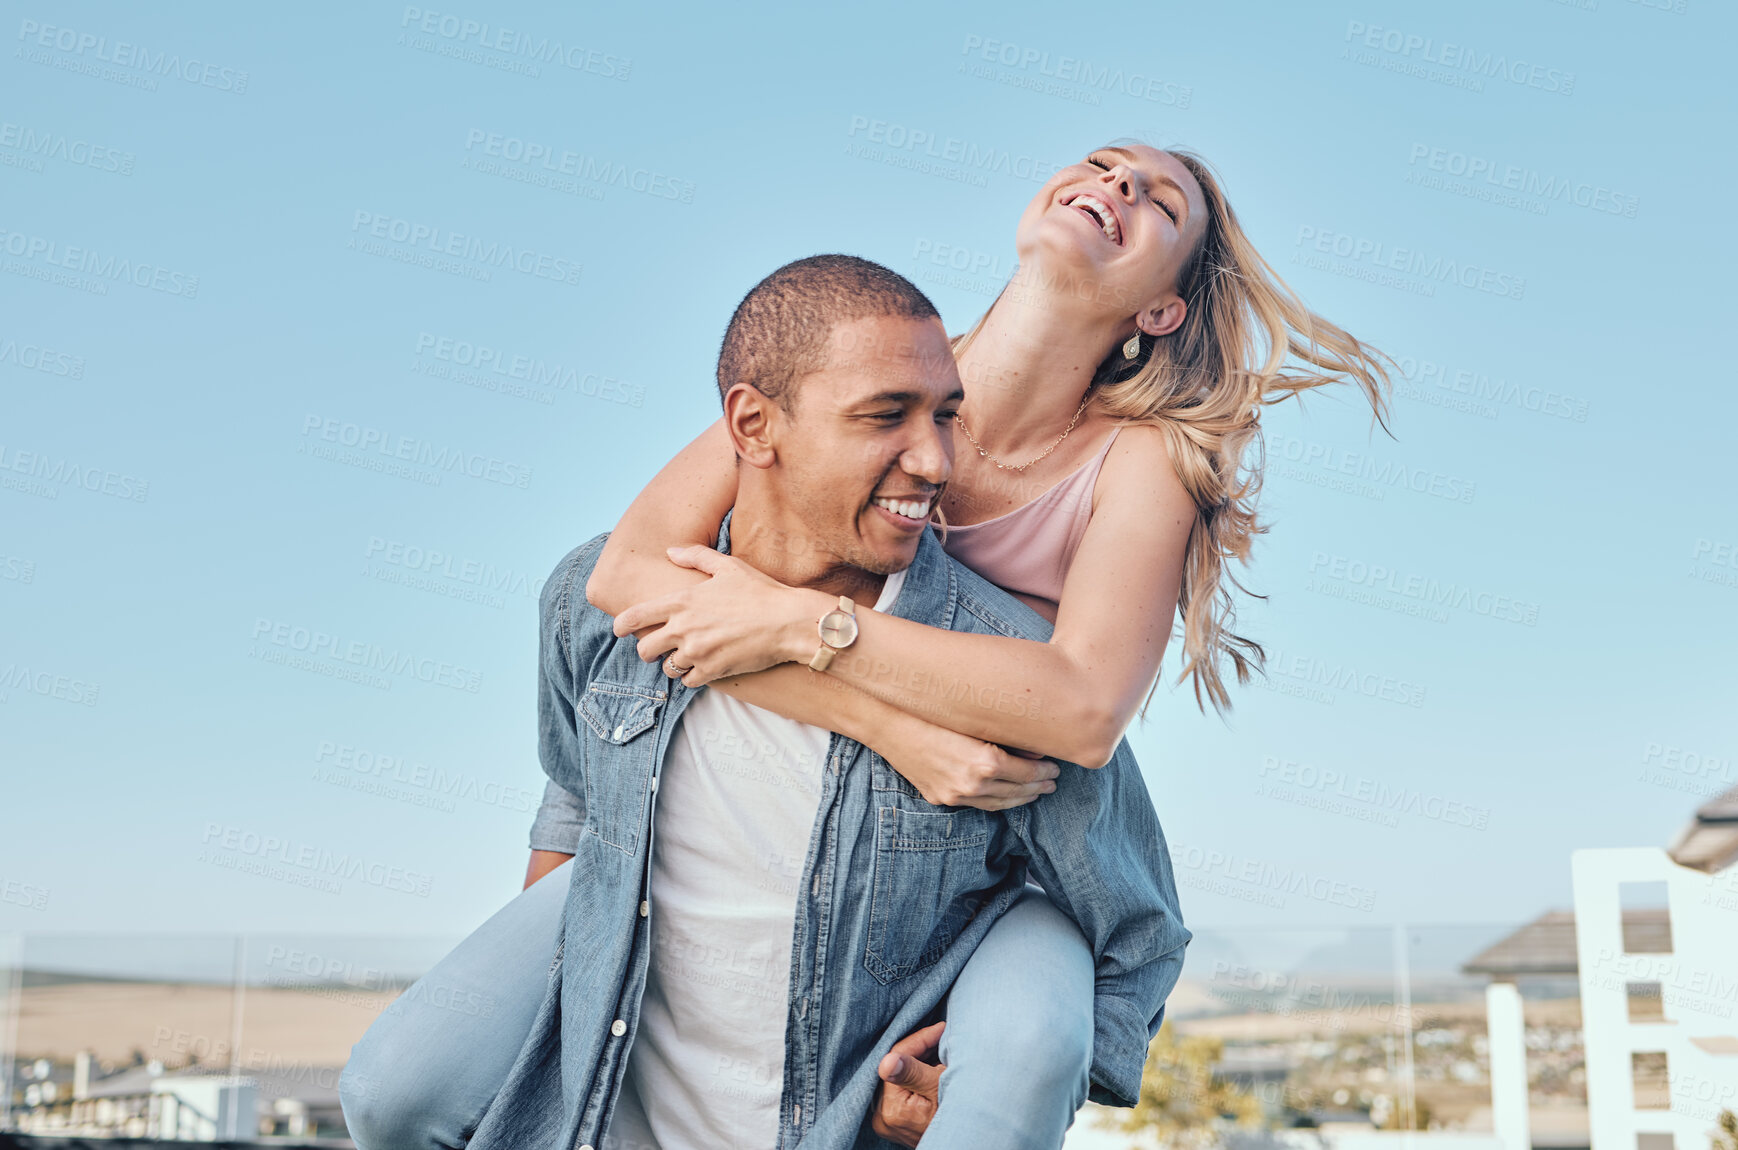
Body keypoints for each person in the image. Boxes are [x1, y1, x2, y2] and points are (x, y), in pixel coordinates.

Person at [582, 142, 1392, 1143]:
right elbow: (622, 574)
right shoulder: (873, 369)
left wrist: (801, 621)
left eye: (1159, 203)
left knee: (1020, 1060)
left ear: (1162, 310)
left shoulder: (1143, 460)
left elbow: (1084, 707)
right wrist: (890, 726)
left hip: (1012, 863)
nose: (1118, 186)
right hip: (806, 810)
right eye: (1102, 164)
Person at [339, 255, 1188, 1150]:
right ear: (753, 425)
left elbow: (1134, 923)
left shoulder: (999, 667)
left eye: (946, 415)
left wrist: (991, 1078)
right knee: (391, 1094)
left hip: (838, 1103)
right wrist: (561, 1011)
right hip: (632, 1065)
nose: (937, 460)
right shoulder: (598, 603)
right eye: (884, 416)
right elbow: (579, 795)